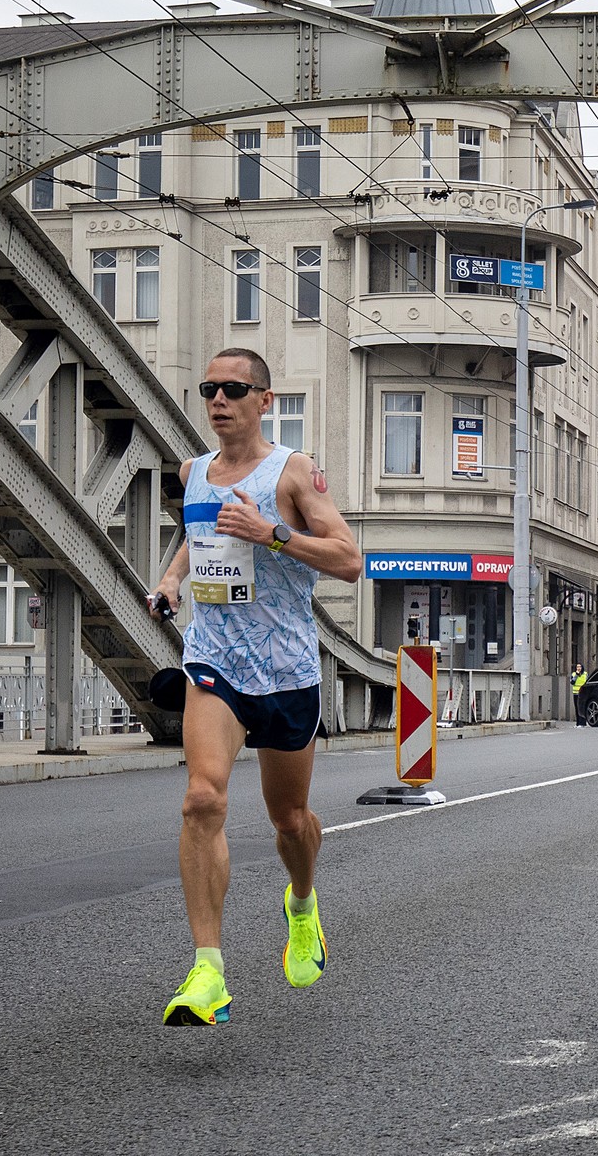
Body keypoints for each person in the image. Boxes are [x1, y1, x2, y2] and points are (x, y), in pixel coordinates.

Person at [148, 348, 363, 1027]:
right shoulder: (193, 473)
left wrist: (272, 533)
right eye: (209, 388)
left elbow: (349, 559)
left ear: (264, 400)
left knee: (289, 821)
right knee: (201, 799)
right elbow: (199, 534)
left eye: (234, 389)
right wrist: (171, 580)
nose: (219, 399)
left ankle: (302, 903)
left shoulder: (293, 471)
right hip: (215, 659)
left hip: (286, 669)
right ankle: (207, 971)